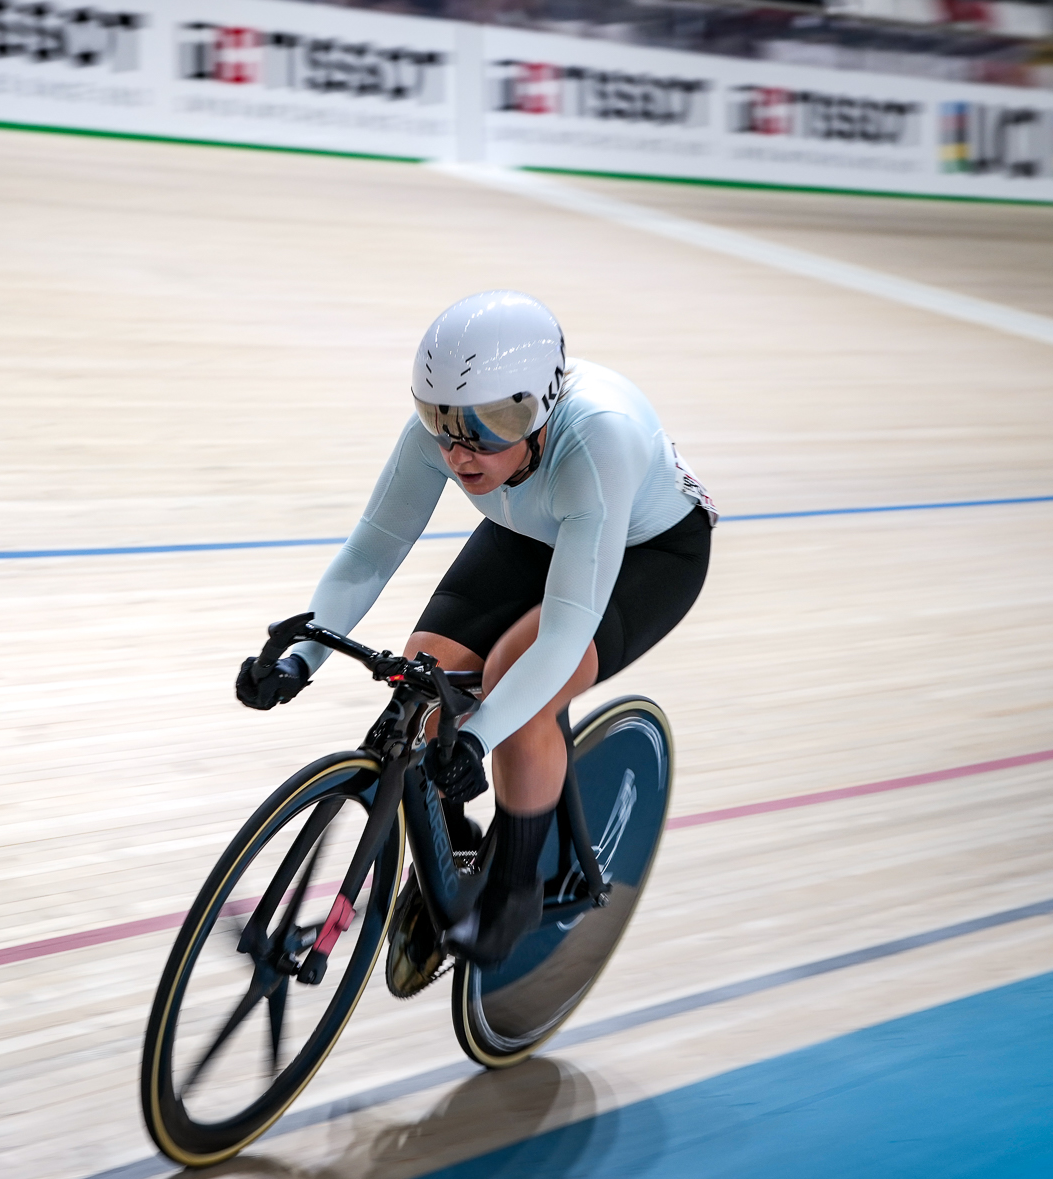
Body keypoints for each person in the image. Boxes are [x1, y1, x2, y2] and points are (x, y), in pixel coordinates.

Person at [236, 290, 715, 971]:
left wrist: (482, 735)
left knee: (517, 687)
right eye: (440, 419)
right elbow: (370, 553)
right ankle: (452, 845)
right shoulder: (449, 440)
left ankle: (516, 888)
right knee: (424, 669)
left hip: (648, 551)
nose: (461, 449)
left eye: (493, 421)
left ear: (539, 407)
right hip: (537, 526)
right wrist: (301, 660)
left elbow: (561, 636)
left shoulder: (596, 435)